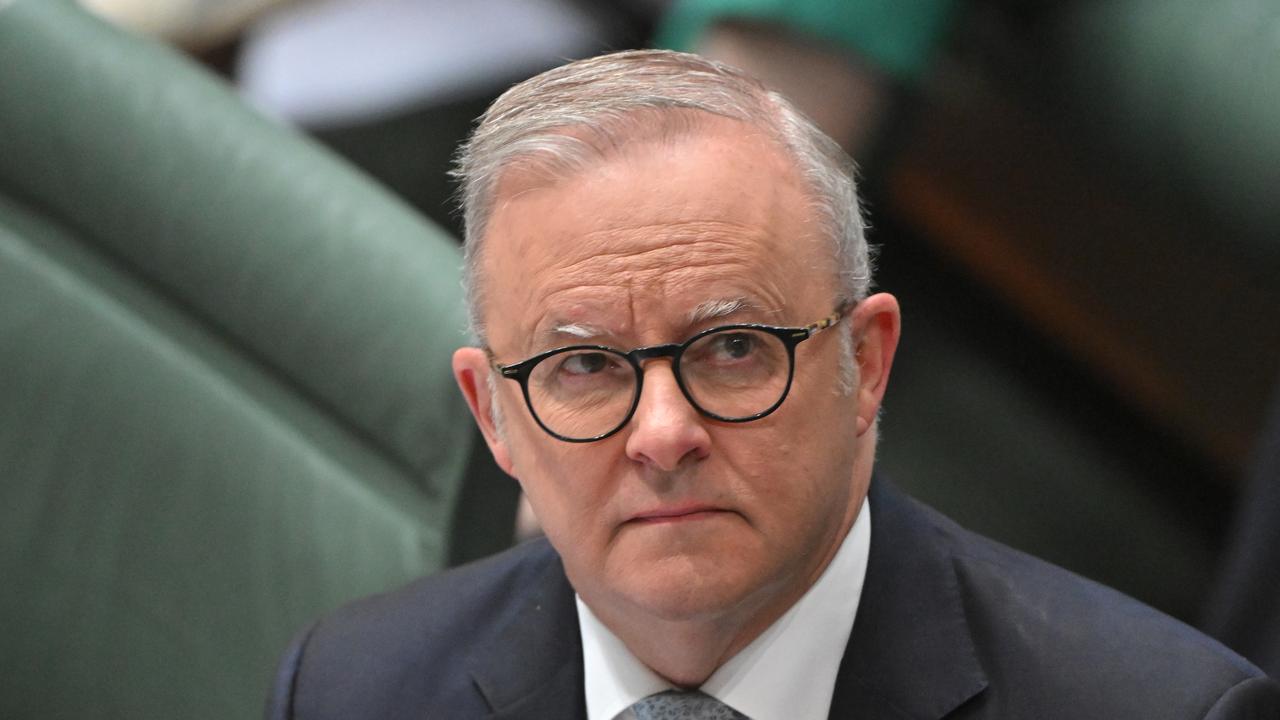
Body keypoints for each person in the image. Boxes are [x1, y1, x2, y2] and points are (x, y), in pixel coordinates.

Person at [265, 49, 1280, 719]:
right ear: (494, 414)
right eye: (584, 366)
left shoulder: (1160, 710)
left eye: (732, 349)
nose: (661, 434)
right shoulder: (350, 690)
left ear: (865, 363)